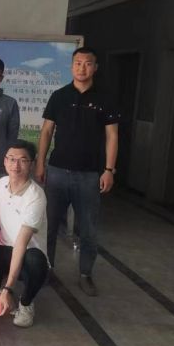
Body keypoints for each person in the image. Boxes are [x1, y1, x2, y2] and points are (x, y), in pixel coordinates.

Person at [35, 46, 120, 296]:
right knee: (49, 226)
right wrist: (40, 163)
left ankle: (85, 274)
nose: (82, 68)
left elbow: (112, 136)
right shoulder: (59, 96)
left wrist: (109, 170)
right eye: (78, 63)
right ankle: (46, 269)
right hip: (57, 171)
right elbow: (47, 131)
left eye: (87, 63)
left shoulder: (105, 98)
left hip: (90, 174)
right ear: (71, 66)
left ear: (95, 67)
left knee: (88, 229)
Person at [0, 140, 50, 328]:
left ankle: (26, 303)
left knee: (36, 262)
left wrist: (8, 287)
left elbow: (21, 242)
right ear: (5, 161)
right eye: (11, 159)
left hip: (27, 252)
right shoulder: (1, 184)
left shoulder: (36, 196)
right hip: (4, 247)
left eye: (23, 160)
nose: (16, 165)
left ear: (32, 164)